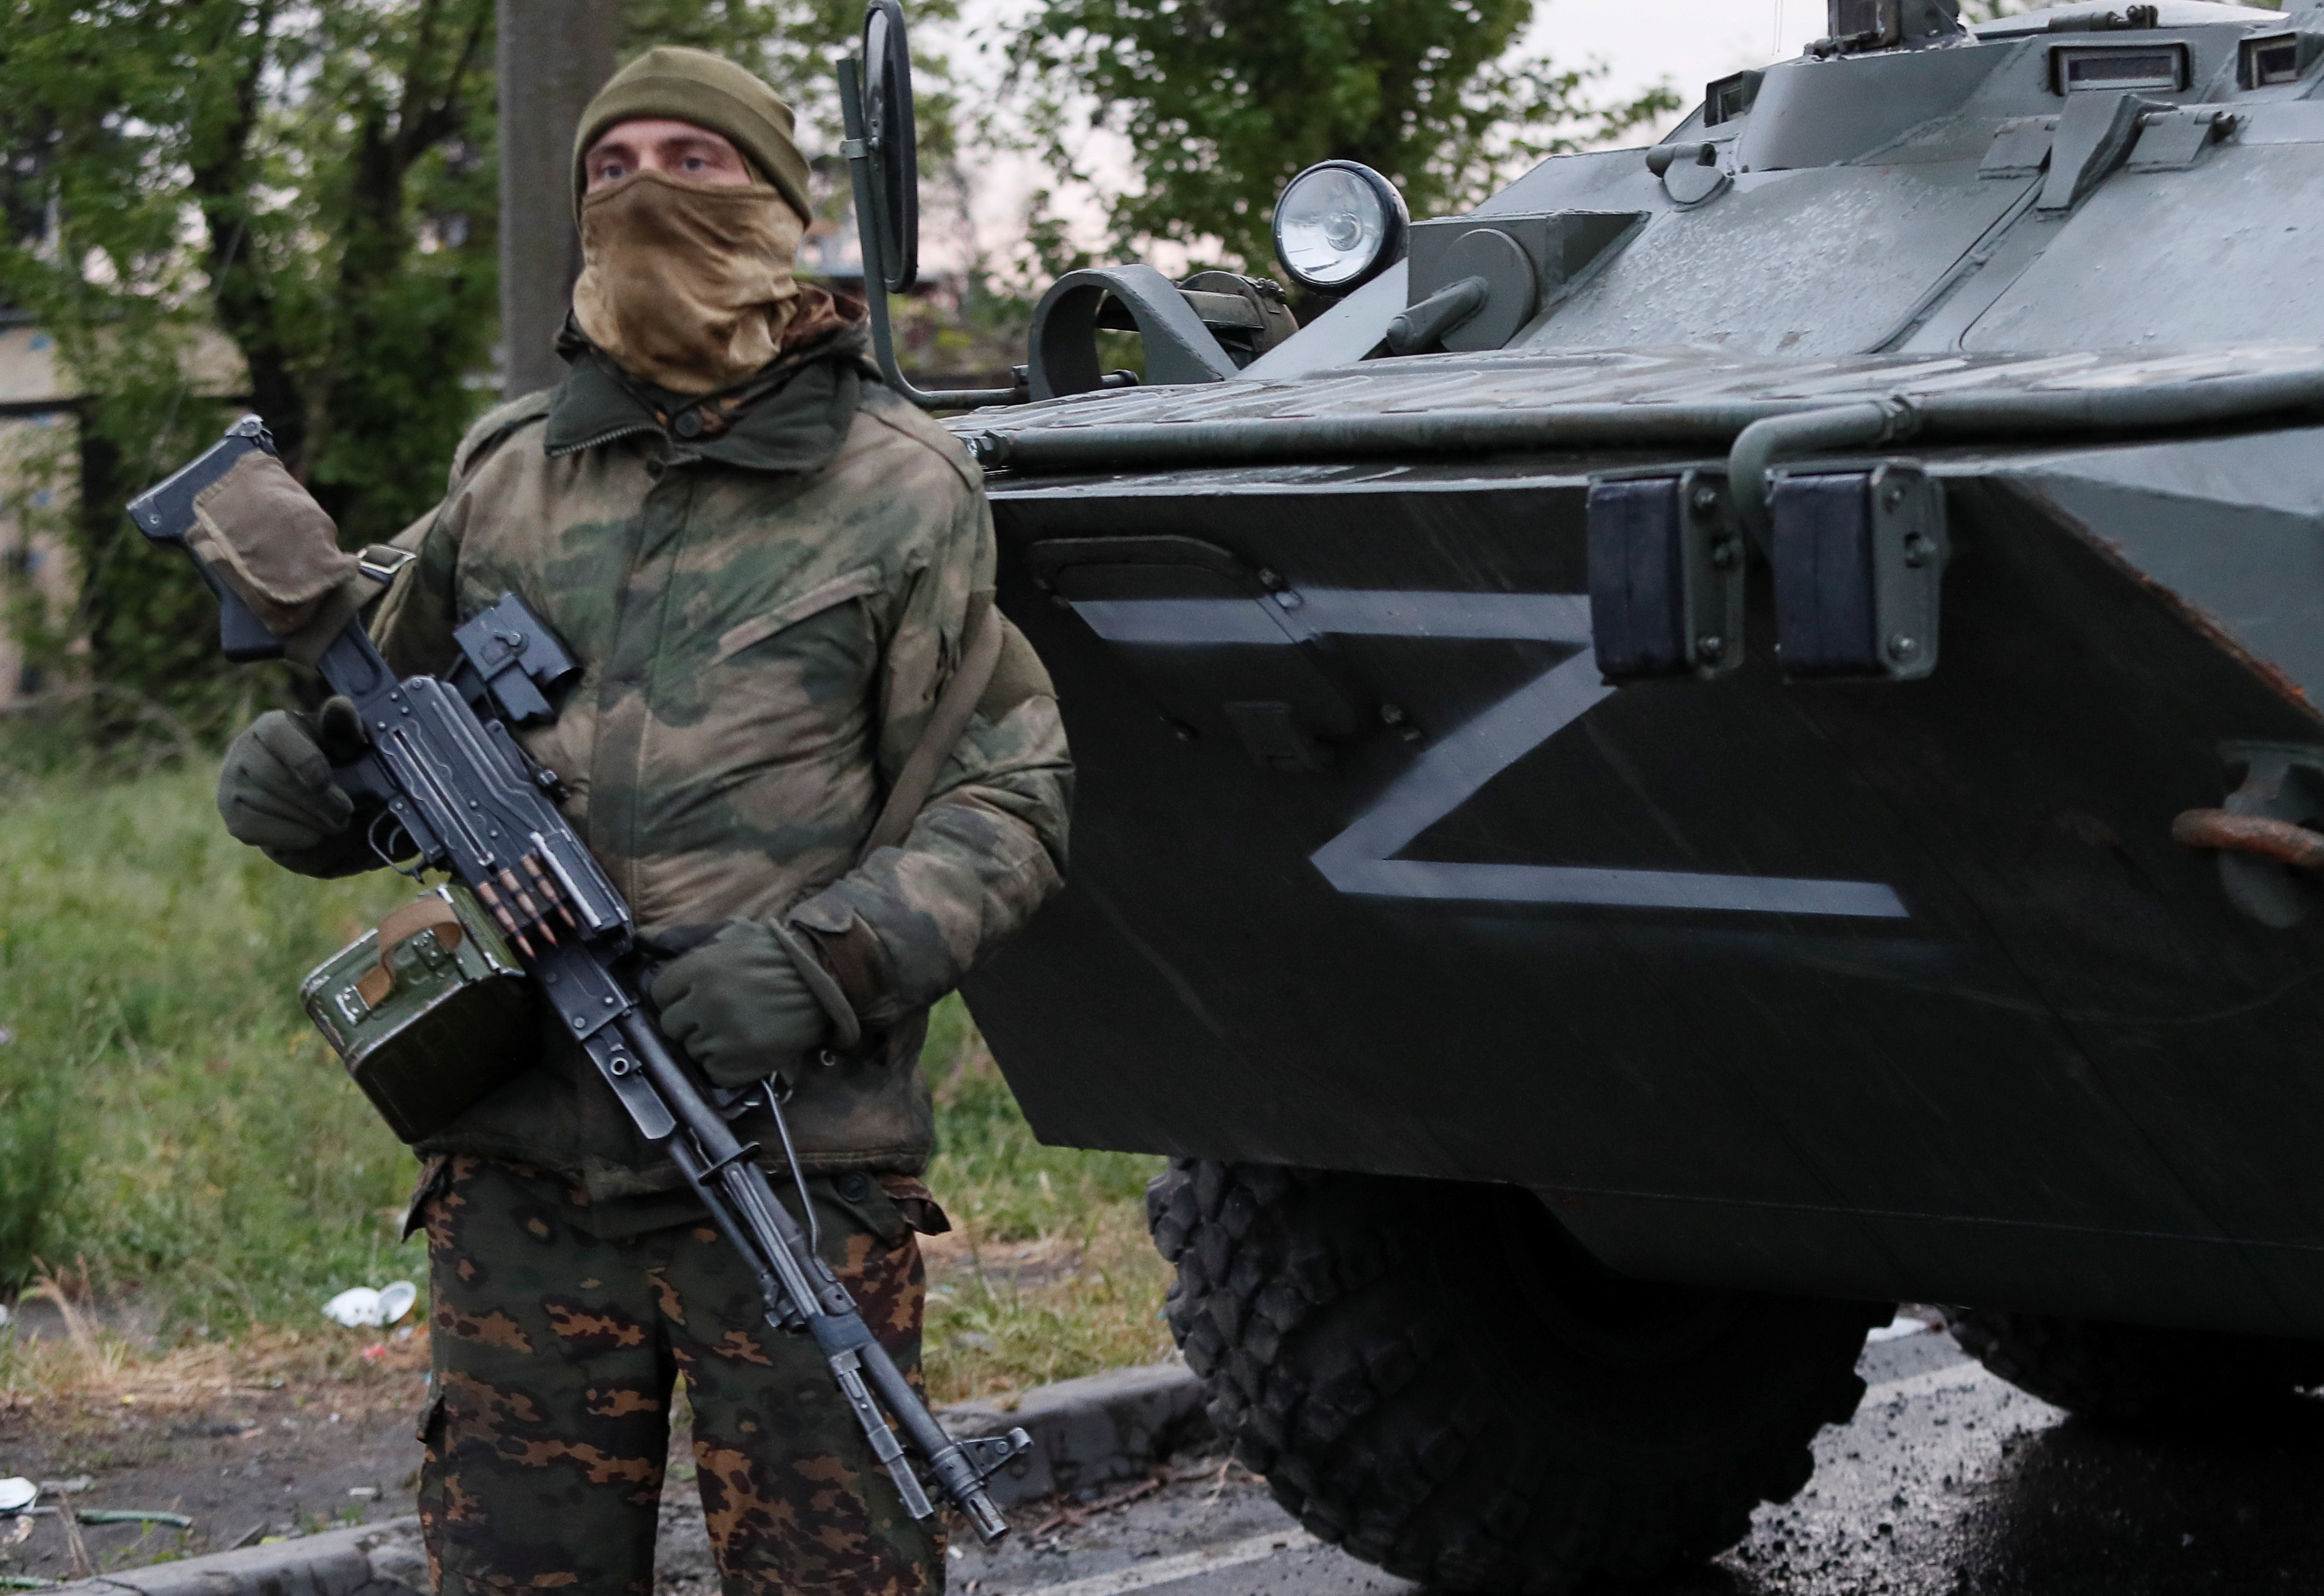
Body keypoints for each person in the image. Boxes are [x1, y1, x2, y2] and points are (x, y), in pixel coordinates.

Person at [212, 45, 1073, 1596]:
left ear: (782, 211)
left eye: (696, 160)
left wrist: (827, 961)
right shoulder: (511, 473)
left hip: (793, 1161)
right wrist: (311, 790)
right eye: (611, 167)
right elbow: (381, 722)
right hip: (523, 1175)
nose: (645, 191)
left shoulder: (905, 489)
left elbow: (1008, 800)